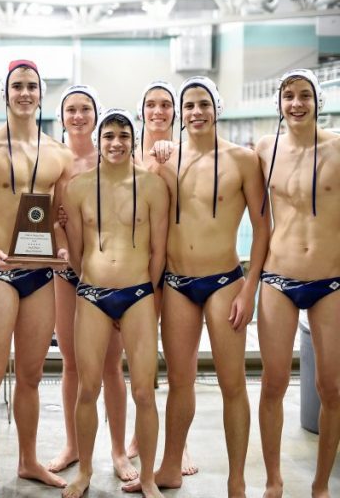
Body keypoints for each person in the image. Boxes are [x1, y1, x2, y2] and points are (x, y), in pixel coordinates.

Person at [131, 76, 269, 497]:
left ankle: (237, 480)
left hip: (225, 281)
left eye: (202, 105)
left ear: (217, 108)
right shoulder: (166, 159)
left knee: (232, 384)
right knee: (179, 381)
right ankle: (169, 467)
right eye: (188, 105)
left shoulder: (242, 160)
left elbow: (263, 230)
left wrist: (249, 290)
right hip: (176, 283)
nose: (195, 112)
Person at [0, 59, 72, 498]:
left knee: (29, 376)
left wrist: (61, 247)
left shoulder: (57, 153)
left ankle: (28, 460)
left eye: (32, 86)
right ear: (5, 94)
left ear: (40, 94)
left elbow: (58, 218)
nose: (25, 93)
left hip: (40, 274)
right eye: (17, 86)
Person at [61, 108, 168, 498]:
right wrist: (94, 278)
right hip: (91, 294)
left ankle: (150, 477)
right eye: (109, 136)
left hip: (138, 293)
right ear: (99, 140)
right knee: (87, 389)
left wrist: (146, 294)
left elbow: (158, 251)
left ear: (132, 139)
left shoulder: (153, 187)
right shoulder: (77, 187)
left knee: (144, 391)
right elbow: (74, 253)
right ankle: (85, 471)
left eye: (124, 135)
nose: (117, 143)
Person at [47, 85, 139, 482]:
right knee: (71, 363)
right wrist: (61, 248)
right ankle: (73, 444)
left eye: (86, 109)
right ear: (62, 115)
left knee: (111, 366)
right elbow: (46, 214)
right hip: (67, 274)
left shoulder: (115, 154)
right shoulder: (54, 159)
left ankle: (118, 450)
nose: (79, 116)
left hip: (109, 275)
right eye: (71, 109)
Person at [256, 69, 340, 498]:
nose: (296, 103)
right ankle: (273, 480)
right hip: (277, 278)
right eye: (288, 95)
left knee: (332, 388)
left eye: (304, 95)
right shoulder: (265, 150)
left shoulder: (339, 148)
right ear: (279, 102)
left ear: (317, 100)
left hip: (330, 282)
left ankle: (322, 484)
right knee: (273, 384)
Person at [130, 80, 197, 476]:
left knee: (179, 367)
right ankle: (139, 436)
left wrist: (175, 156)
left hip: (176, 271)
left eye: (166, 105)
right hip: (139, 270)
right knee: (139, 363)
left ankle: (179, 444)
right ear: (142, 111)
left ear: (176, 113)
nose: (158, 111)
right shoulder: (125, 153)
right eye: (151, 104)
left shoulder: (189, 154)